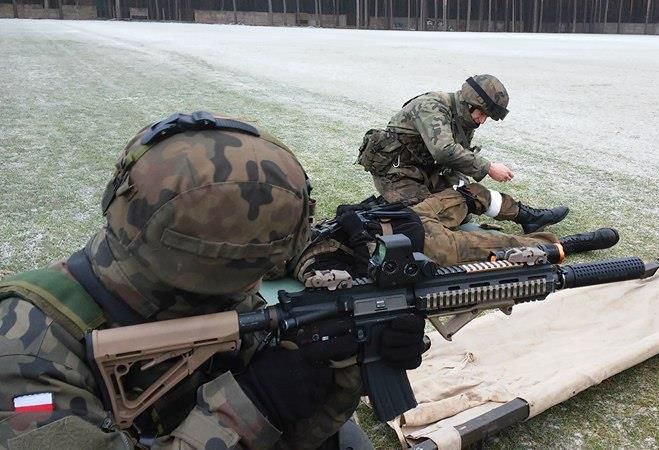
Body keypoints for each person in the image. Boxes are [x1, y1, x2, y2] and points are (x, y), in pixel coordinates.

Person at [0, 112, 423, 449]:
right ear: (204, 270)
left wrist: (341, 369)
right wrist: (251, 406)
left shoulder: (210, 296)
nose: (254, 285)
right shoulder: (26, 349)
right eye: (251, 270)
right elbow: (261, 410)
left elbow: (294, 431)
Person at [356, 74, 569, 234]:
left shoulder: (464, 119)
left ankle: (528, 217)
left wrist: (463, 188)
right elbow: (444, 151)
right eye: (482, 114)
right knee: (426, 221)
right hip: (397, 174)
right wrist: (488, 167)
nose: (482, 120)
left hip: (425, 171)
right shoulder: (432, 107)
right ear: (469, 103)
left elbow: (457, 160)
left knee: (469, 195)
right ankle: (376, 214)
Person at [292, 182, 619, 282]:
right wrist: (358, 235)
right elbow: (370, 275)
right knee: (504, 245)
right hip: (428, 244)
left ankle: (528, 216)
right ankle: (564, 245)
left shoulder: (306, 232)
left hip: (410, 214)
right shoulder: (310, 265)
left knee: (468, 192)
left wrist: (354, 213)